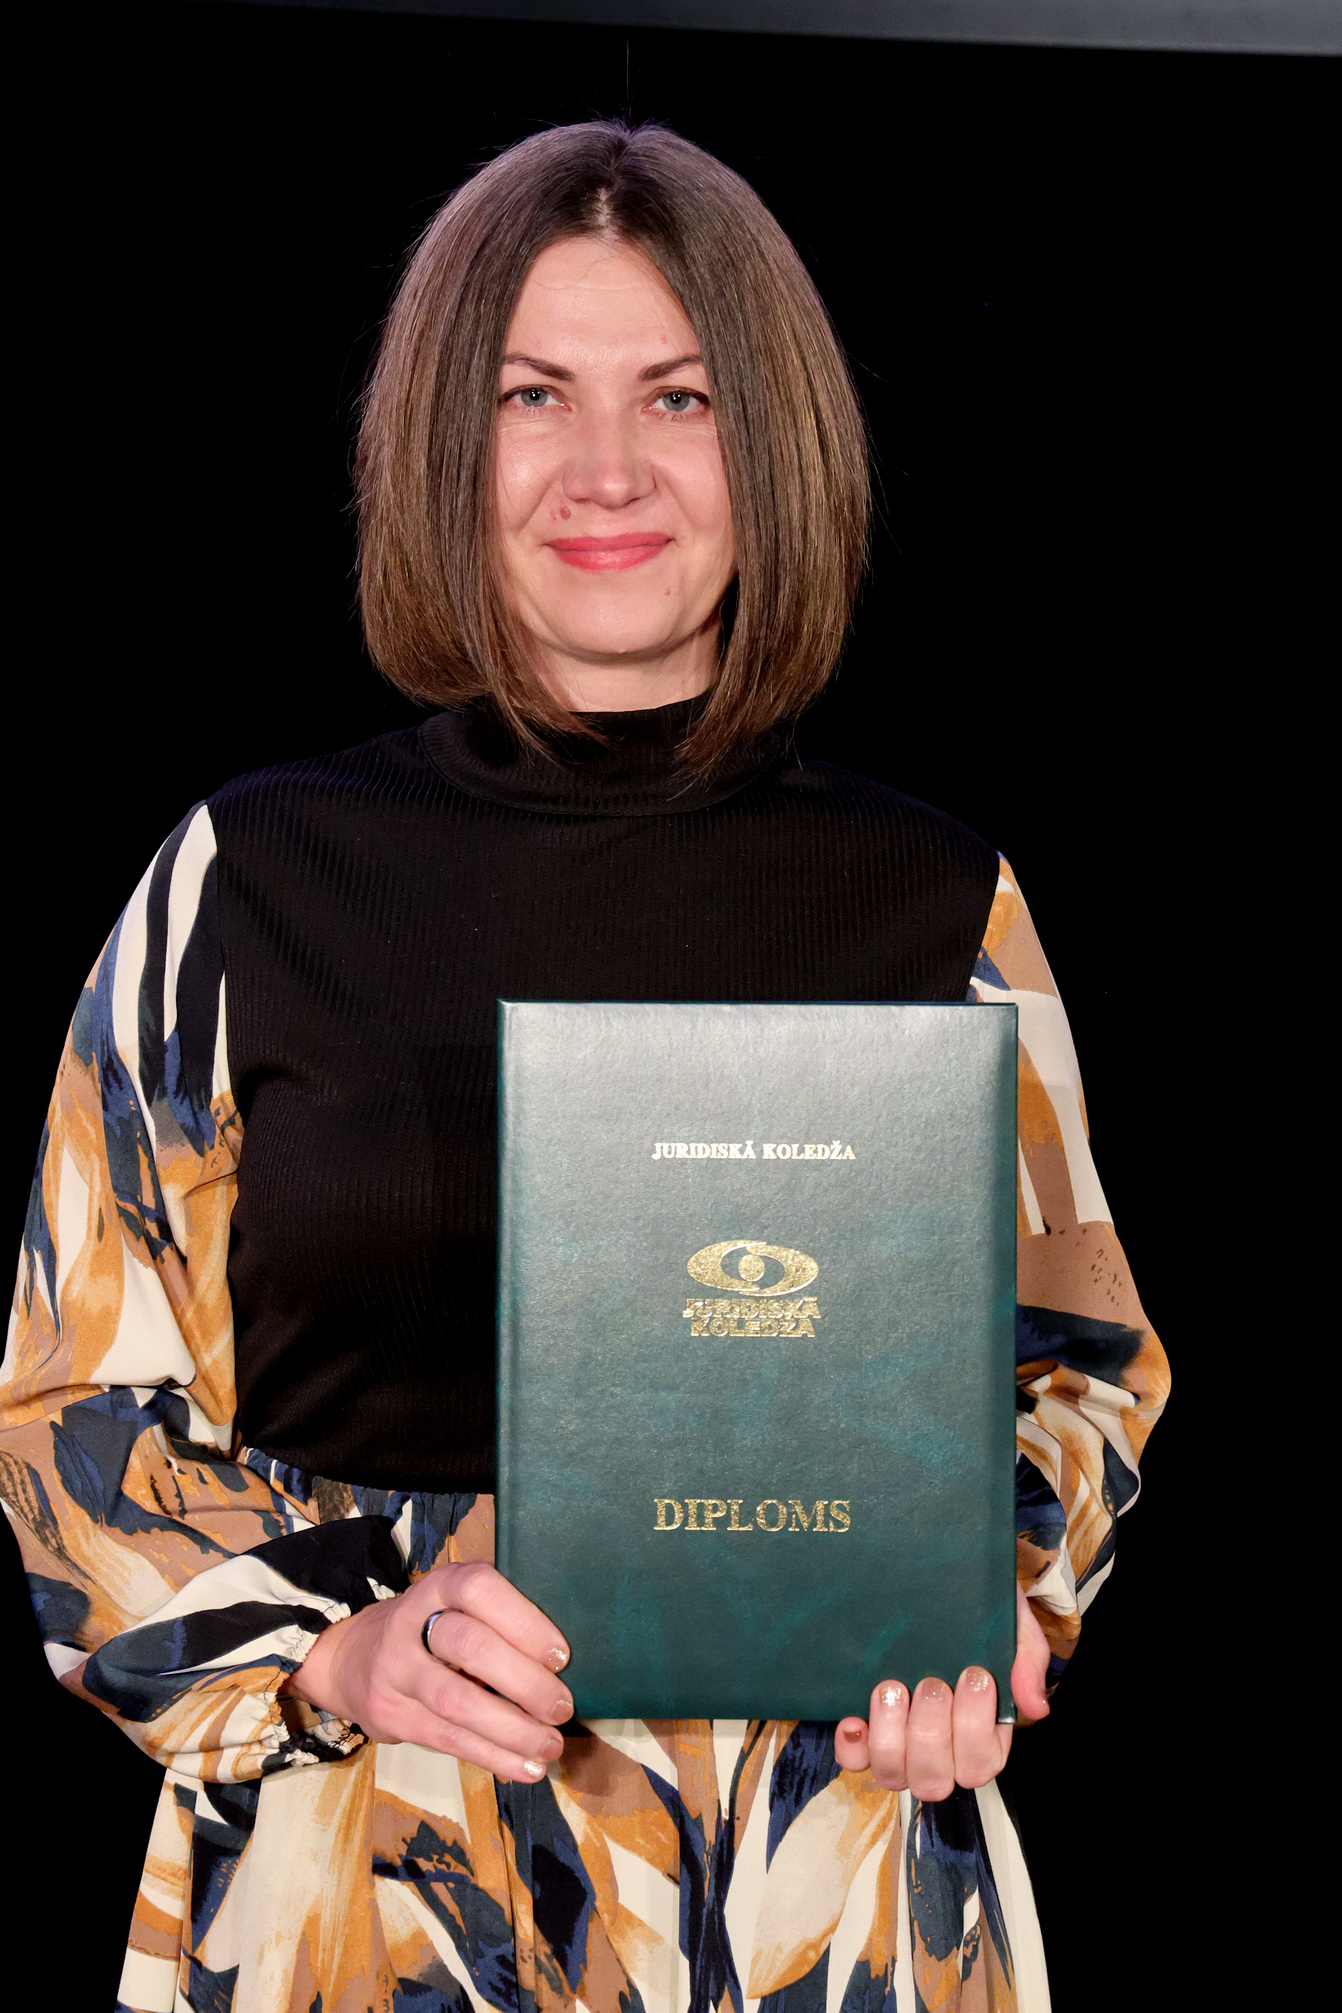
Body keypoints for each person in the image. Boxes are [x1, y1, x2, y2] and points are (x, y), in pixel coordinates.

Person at [0, 123, 1167, 2013]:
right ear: (440, 447)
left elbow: (1078, 1369)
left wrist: (986, 1606)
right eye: (531, 395)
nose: (606, 468)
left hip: (818, 1882)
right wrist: (338, 1648)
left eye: (679, 397)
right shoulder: (251, 877)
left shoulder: (937, 898)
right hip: (365, 1882)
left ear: (771, 443)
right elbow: (75, 1407)